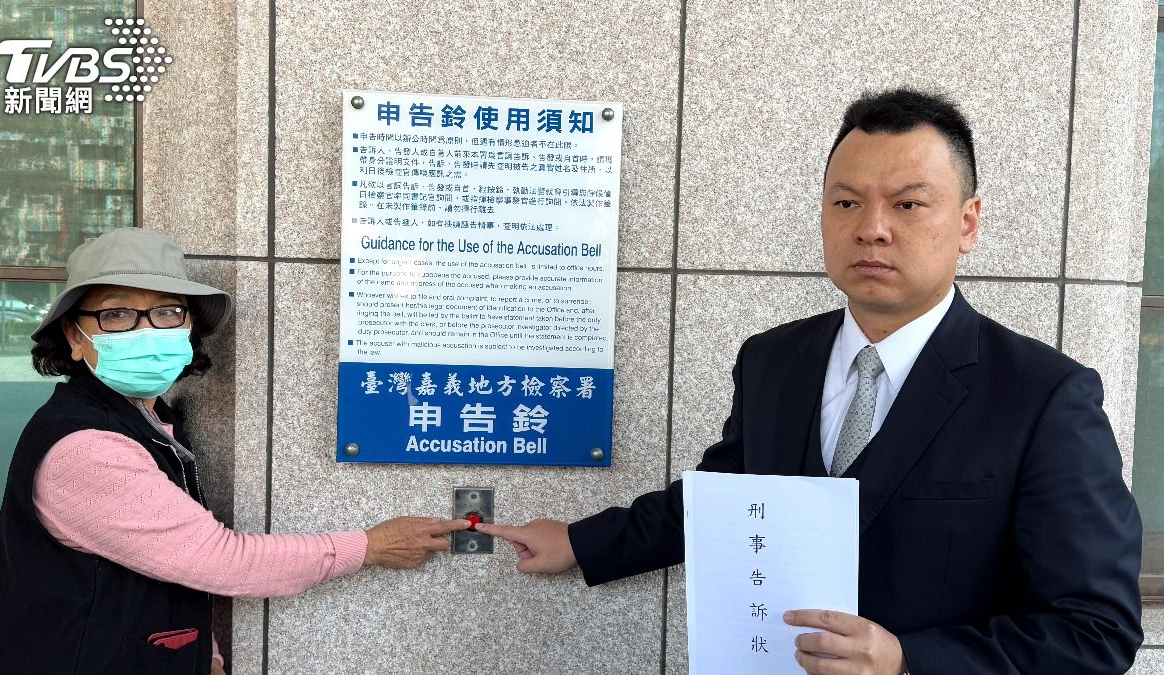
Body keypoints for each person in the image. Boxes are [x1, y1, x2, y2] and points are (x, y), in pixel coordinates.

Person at [478, 89, 1144, 674]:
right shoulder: (773, 360)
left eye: (909, 204)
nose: (872, 229)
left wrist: (909, 661)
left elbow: (1096, 630)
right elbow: (726, 498)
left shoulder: (1043, 397)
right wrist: (581, 541)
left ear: (968, 222)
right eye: (847, 202)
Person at [0, 228, 470, 675]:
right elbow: (219, 559)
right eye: (117, 314)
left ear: (188, 327)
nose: (146, 330)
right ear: (74, 336)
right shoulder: (87, 450)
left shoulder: (149, 420)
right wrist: (372, 546)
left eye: (167, 311)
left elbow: (164, 556)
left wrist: (205, 654)